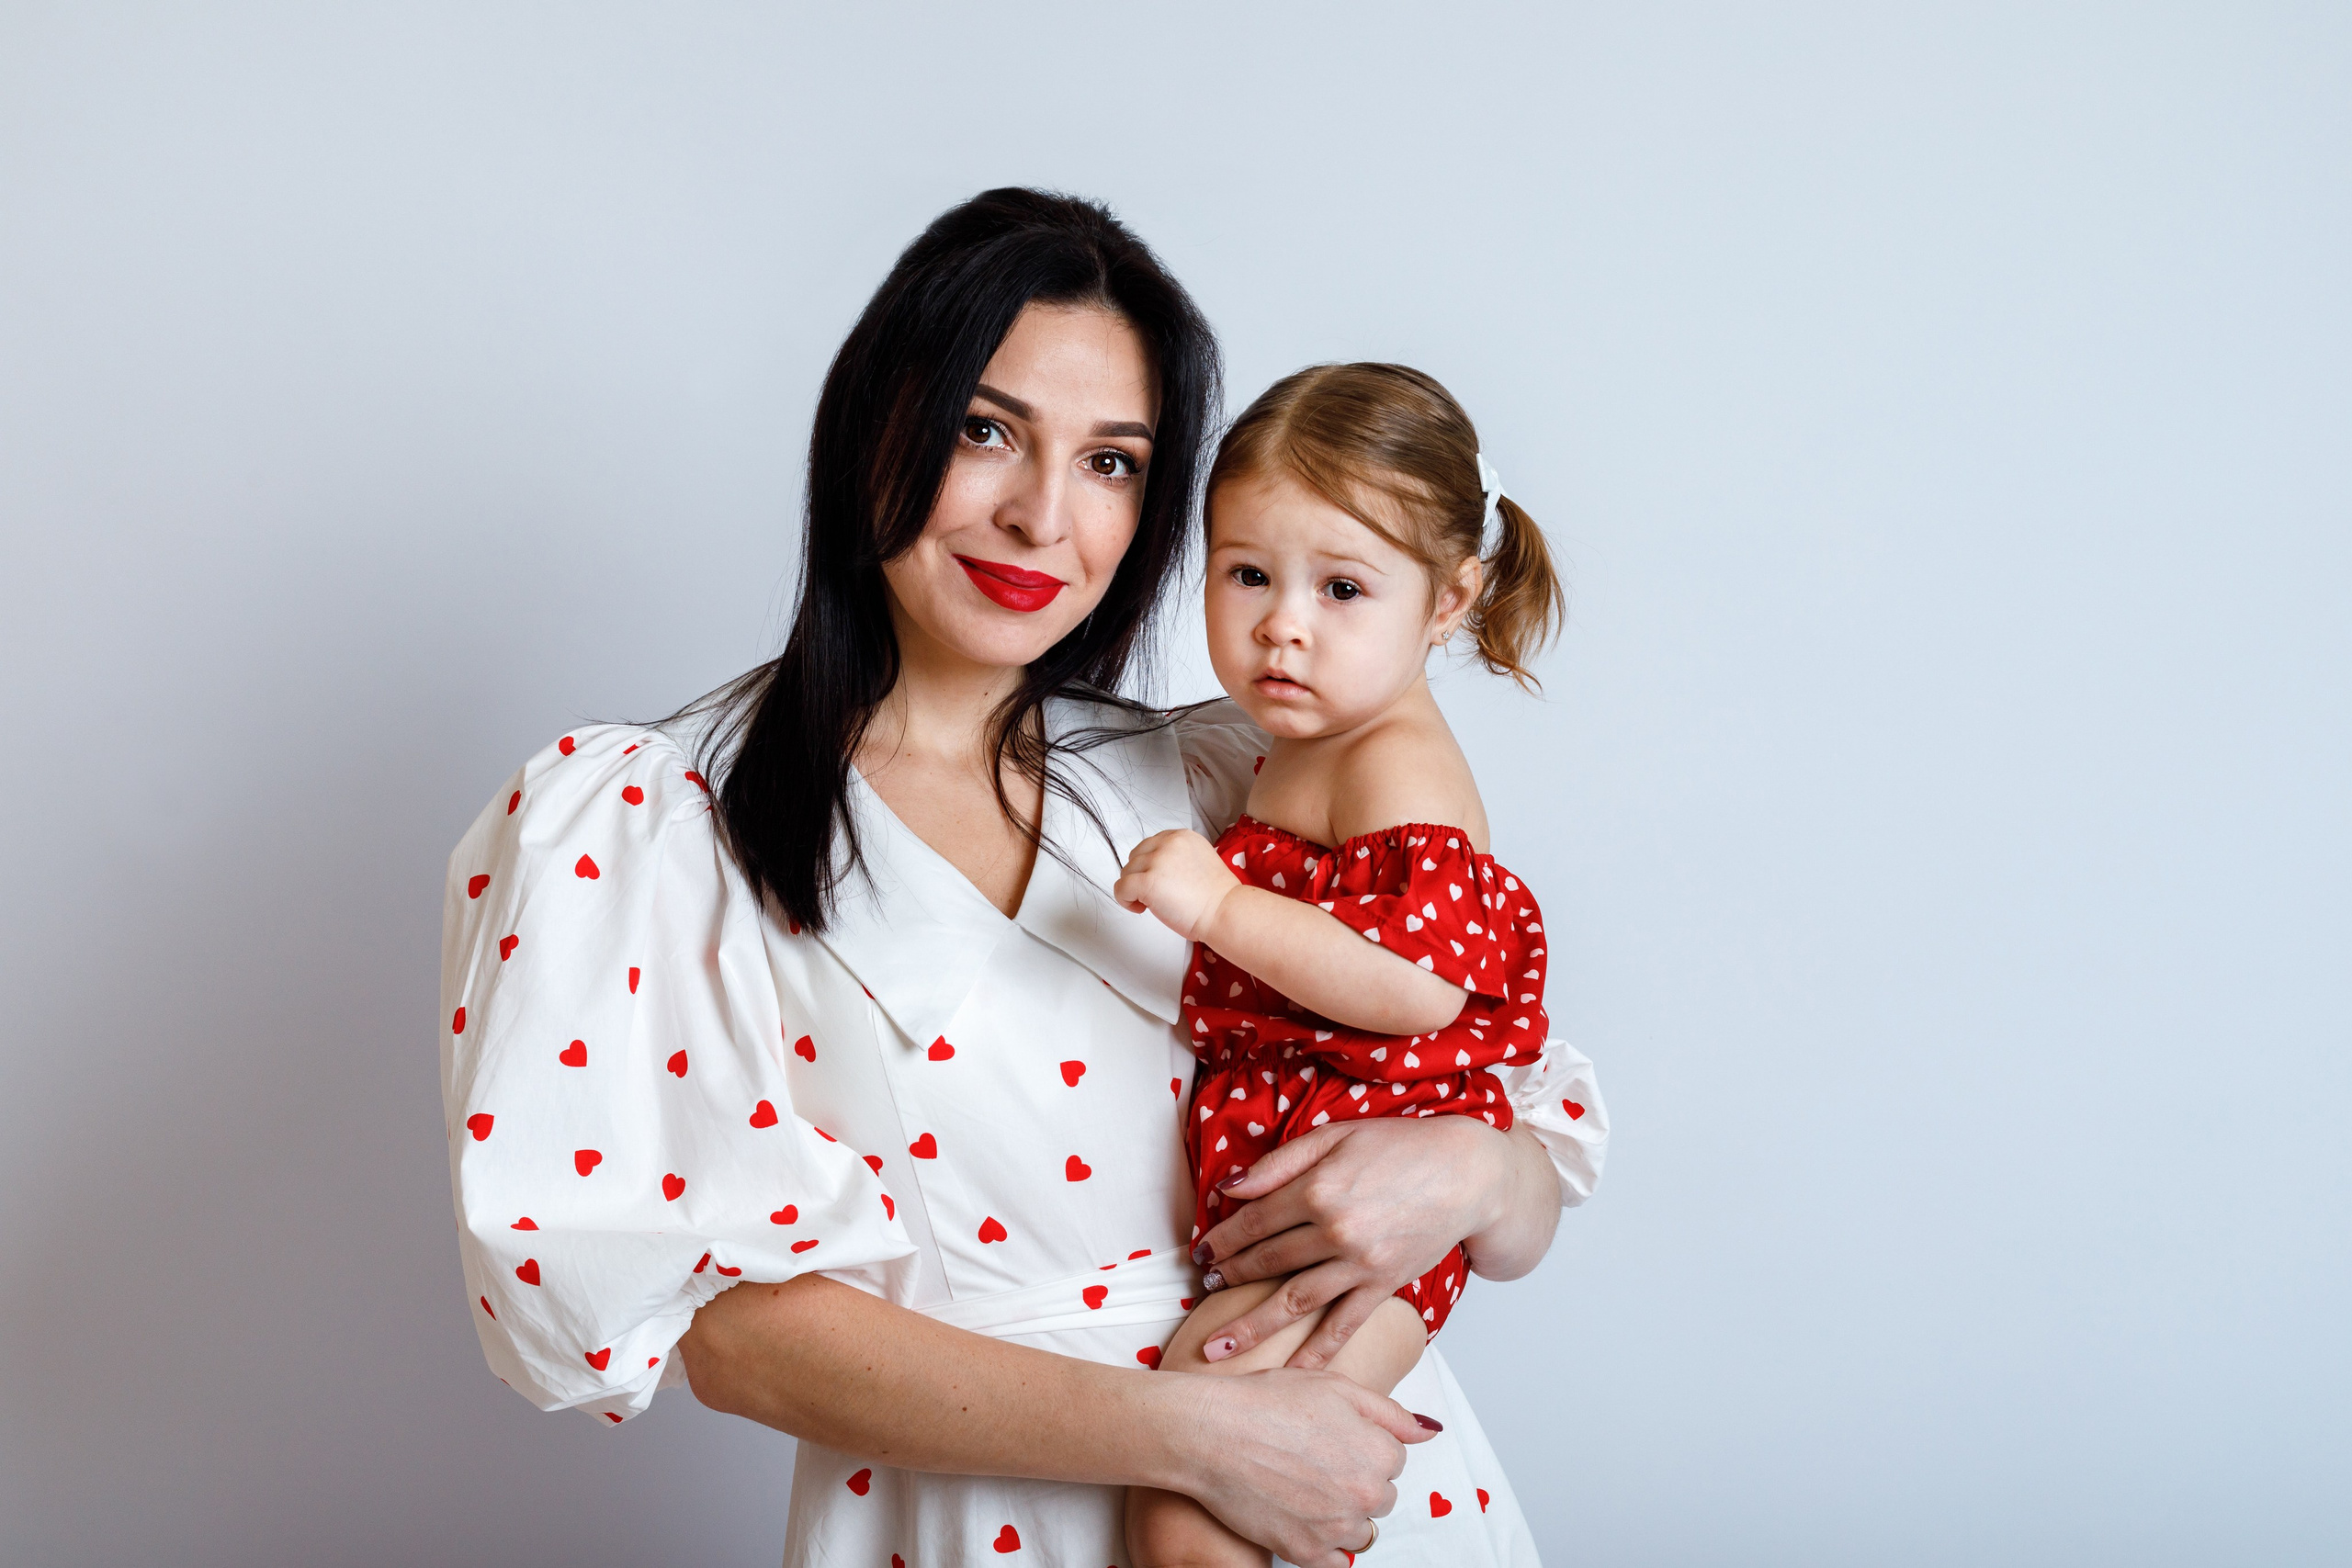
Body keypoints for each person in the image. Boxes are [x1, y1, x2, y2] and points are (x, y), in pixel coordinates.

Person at [439, 188, 1608, 1568]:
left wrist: (1475, 1177)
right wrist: (1197, 1439)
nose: (1042, 515)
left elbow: (1521, 1121)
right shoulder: (657, 820)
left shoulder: (1228, 773)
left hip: (1375, 1490)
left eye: (1112, 463)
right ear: (879, 422)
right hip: (999, 1517)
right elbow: (724, 1338)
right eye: (987, 431)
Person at [1114, 364, 1576, 1567]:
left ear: (1448, 602)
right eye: (1248, 573)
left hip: (1364, 1207)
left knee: (1187, 1510)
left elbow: (1409, 985)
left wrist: (1218, 905)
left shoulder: (1397, 768)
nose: (1285, 623)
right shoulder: (1289, 745)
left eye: (1343, 587)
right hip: (1303, 1209)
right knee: (1204, 1488)